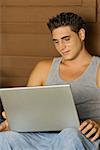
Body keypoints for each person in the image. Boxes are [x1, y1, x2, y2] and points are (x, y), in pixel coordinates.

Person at [0, 12, 100, 150]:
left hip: (79, 136)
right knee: (6, 138)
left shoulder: (98, 69)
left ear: (81, 35)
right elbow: (27, 107)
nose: (61, 47)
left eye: (66, 39)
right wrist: (13, 120)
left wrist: (98, 124)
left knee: (69, 134)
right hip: (42, 136)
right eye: (56, 41)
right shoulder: (43, 68)